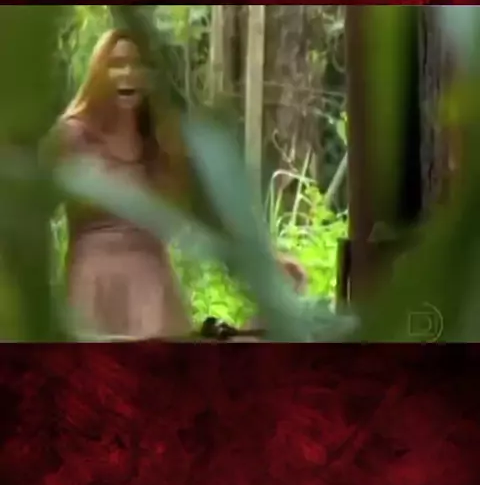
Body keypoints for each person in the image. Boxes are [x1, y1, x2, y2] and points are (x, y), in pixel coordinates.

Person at [52, 28, 307, 340]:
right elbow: (26, 212)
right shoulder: (73, 135)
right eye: (117, 64)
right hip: (94, 288)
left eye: (138, 64)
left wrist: (266, 260)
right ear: (98, 72)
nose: (128, 73)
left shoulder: (163, 145)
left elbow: (208, 214)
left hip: (154, 293)